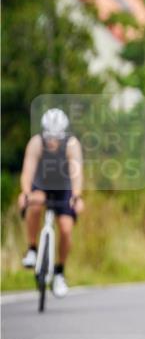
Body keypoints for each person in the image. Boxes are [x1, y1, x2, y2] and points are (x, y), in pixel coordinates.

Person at [18, 108, 85, 297]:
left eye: (57, 137)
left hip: (64, 188)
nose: (52, 141)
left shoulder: (72, 145)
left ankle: (59, 272)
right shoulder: (36, 143)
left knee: (65, 228)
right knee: (36, 203)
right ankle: (32, 248)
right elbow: (27, 172)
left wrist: (77, 196)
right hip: (42, 185)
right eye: (49, 137)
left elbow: (77, 174)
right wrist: (25, 193)